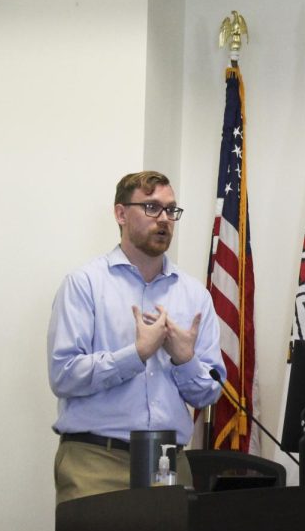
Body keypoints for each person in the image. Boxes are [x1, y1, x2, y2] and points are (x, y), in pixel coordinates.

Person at [48, 170, 224, 503]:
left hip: (167, 461)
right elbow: (64, 375)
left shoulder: (194, 296)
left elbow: (207, 394)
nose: (164, 220)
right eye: (152, 208)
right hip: (96, 460)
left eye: (171, 210)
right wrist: (137, 353)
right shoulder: (84, 284)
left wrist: (185, 359)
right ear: (120, 213)